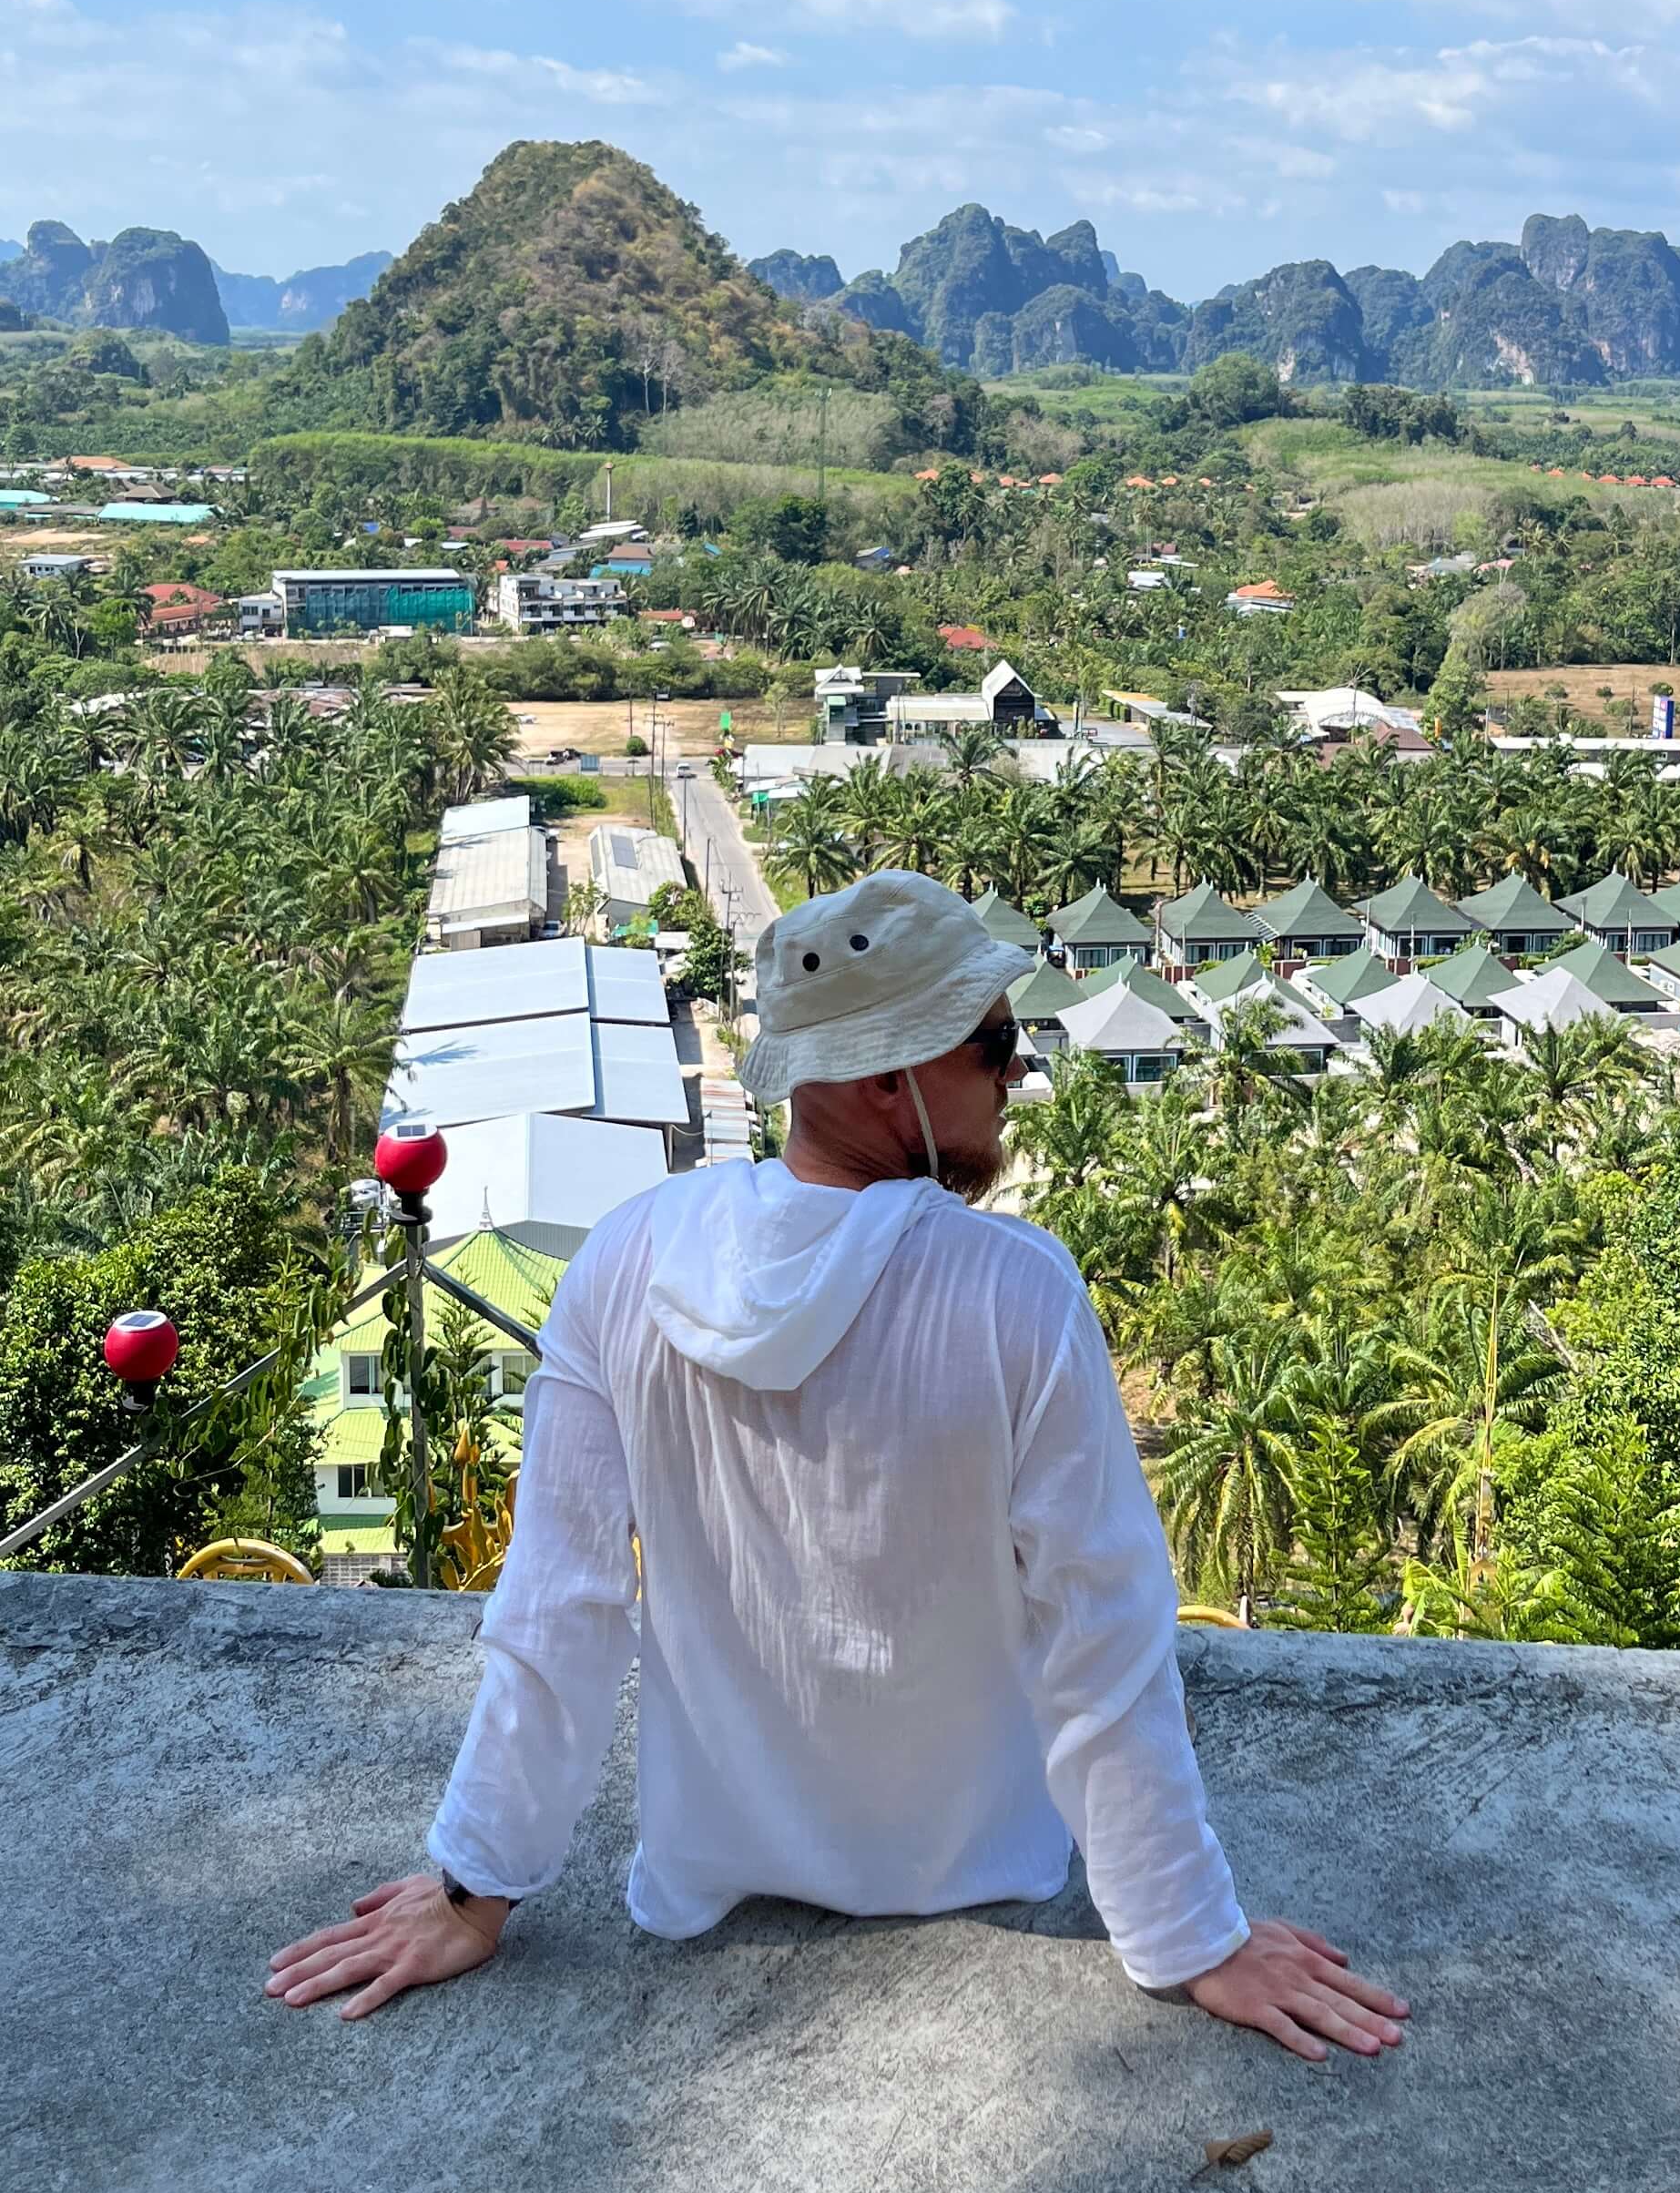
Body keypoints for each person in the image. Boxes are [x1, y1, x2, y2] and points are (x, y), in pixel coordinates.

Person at [268, 872, 1409, 2064]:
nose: (1018, 1077)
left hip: (720, 1881)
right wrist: (1190, 1935)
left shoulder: (626, 1260)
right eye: (996, 1045)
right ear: (888, 1078)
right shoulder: (1013, 1293)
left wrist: (475, 1890)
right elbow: (1102, 1631)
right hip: (981, 1872)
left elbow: (559, 1601)